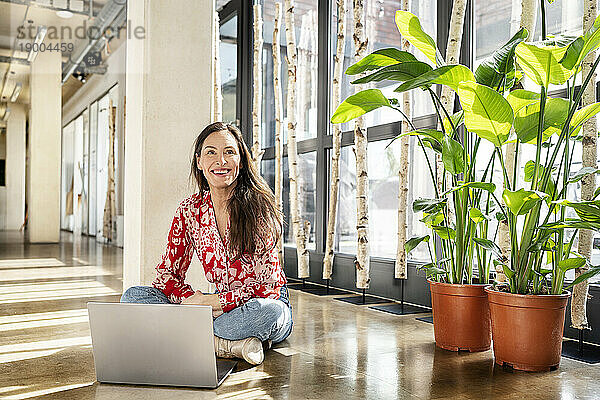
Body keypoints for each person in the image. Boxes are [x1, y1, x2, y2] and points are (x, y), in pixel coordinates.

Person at [121, 122, 292, 365]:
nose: (220, 161)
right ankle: (226, 345)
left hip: (257, 306)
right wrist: (192, 301)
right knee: (133, 297)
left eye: (229, 152)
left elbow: (269, 288)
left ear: (241, 161)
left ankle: (191, 336)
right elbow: (166, 275)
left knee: (269, 313)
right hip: (216, 308)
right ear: (199, 162)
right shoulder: (190, 210)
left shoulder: (259, 207)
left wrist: (216, 302)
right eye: (211, 152)